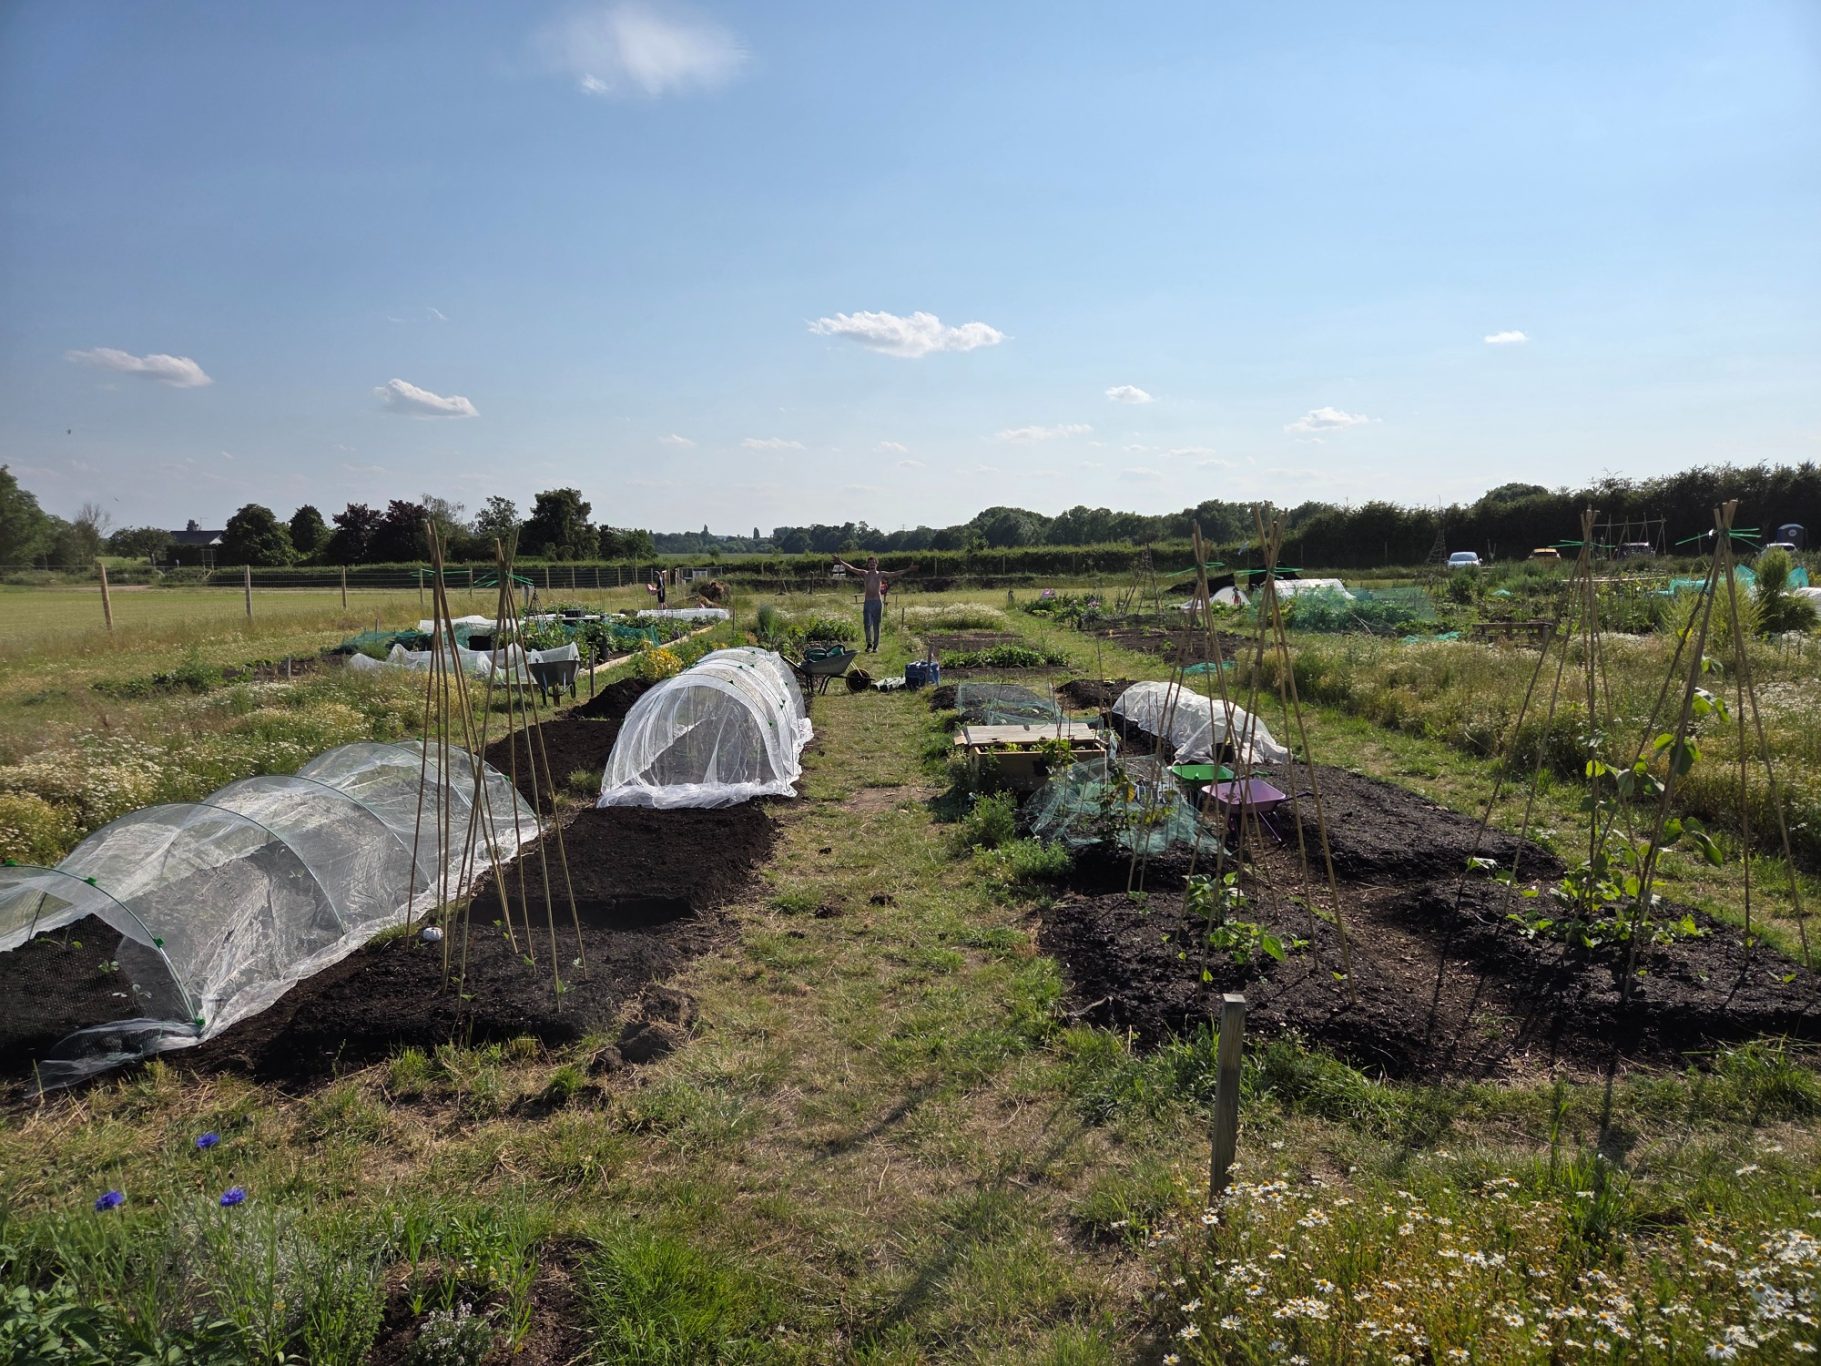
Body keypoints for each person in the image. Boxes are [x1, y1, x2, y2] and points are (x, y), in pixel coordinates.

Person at [833, 555, 913, 652]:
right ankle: (869, 644)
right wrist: (840, 561)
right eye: (870, 563)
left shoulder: (880, 574)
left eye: (873, 563)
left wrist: (908, 569)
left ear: (876, 564)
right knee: (867, 624)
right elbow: (851, 568)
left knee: (876, 625)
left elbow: (895, 573)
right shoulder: (865, 574)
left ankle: (875, 646)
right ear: (868, 565)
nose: (872, 565)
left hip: (877, 602)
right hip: (868, 602)